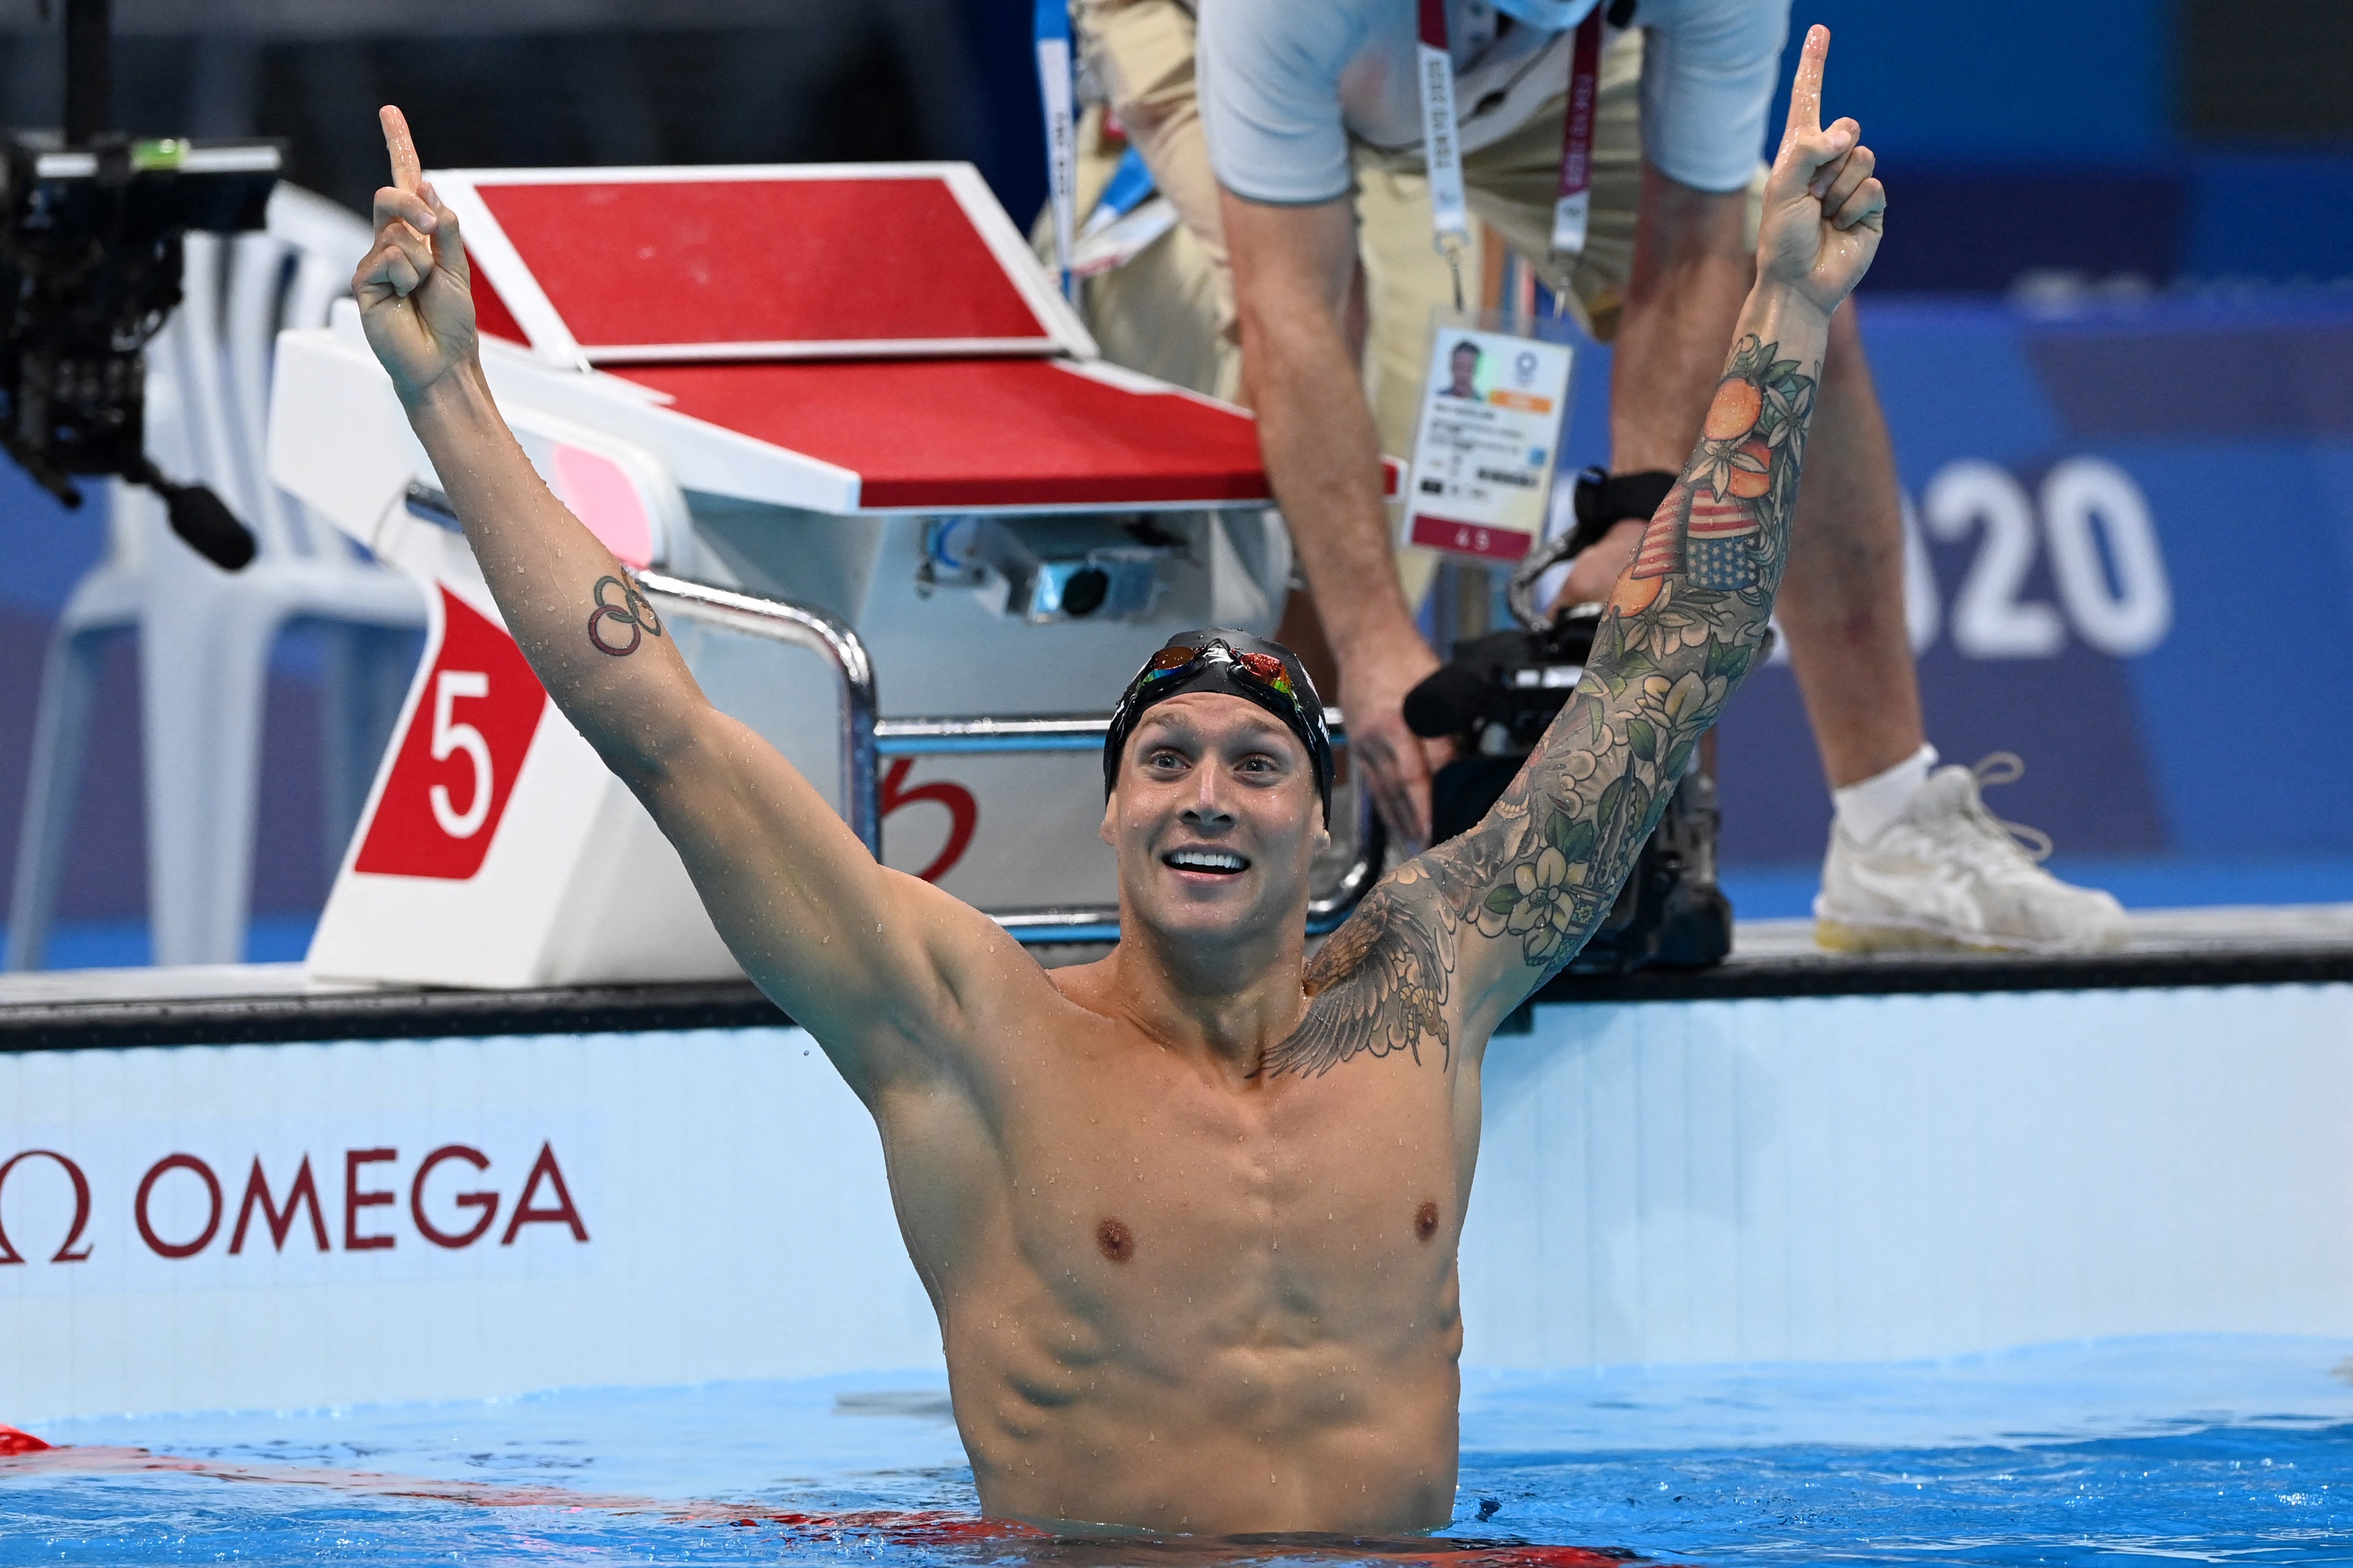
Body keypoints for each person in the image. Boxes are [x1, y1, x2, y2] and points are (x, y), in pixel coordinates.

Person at [355, 29, 1873, 1531]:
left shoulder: (1434, 973)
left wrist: (1791, 305)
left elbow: (1672, 663)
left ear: (1323, 811)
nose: (1206, 792)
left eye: (1256, 764)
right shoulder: (969, 1032)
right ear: (1111, 809)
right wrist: (451, 402)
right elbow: (664, 729)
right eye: (1164, 759)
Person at [1139, 0, 2123, 954]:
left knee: (1780, 272)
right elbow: (1293, 310)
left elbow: (1691, 239)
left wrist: (1639, 525)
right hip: (1221, 30)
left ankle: (1891, 827)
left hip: (1531, 70)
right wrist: (1373, 639)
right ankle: (1283, 871)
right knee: (1314, 338)